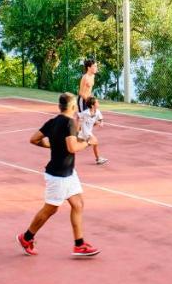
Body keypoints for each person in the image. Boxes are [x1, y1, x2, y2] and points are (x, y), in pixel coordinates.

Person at [16, 93, 100, 257]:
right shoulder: (70, 122)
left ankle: (79, 244)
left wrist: (52, 145)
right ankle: (26, 237)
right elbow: (72, 148)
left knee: (78, 204)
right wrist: (89, 142)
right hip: (58, 175)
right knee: (50, 209)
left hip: (68, 173)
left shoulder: (52, 122)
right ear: (73, 107)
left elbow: (34, 139)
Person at [79, 96, 107, 165]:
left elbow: (101, 119)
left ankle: (98, 158)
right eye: (97, 102)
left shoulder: (97, 111)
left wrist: (101, 123)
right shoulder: (85, 113)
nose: (98, 103)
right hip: (84, 131)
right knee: (95, 141)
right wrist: (78, 125)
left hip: (87, 131)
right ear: (92, 105)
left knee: (79, 144)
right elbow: (78, 117)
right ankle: (98, 159)